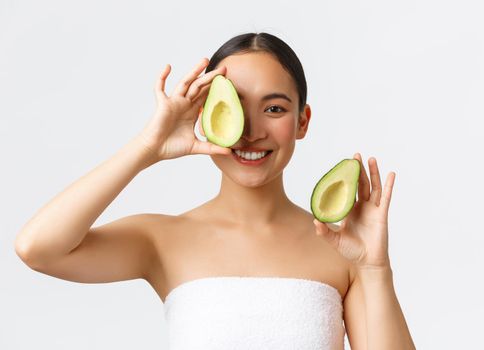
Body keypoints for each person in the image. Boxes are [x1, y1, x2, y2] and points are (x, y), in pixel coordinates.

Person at [14, 32, 416, 349]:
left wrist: (374, 270)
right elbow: (38, 248)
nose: (251, 131)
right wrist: (147, 148)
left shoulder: (341, 248)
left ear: (302, 121)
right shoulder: (162, 239)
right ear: (202, 116)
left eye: (274, 108)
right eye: (234, 107)